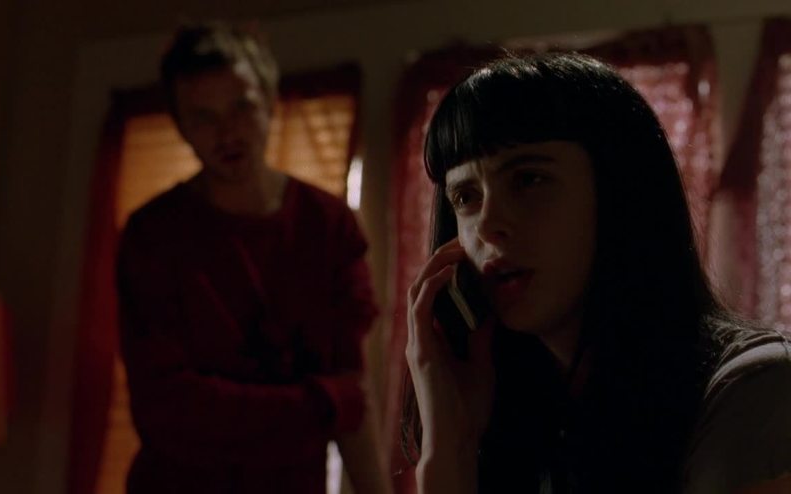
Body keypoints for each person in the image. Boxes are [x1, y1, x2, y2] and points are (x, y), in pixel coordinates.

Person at [403, 53, 791, 493]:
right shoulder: (523, 413)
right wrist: (451, 443)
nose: (488, 224)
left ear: (620, 194)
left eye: (528, 179)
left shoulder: (754, 394)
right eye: (465, 196)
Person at [116, 22, 391, 493]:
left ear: (268, 100)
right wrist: (322, 404)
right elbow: (167, 408)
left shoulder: (328, 225)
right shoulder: (153, 234)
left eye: (240, 106)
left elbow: (352, 393)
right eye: (203, 116)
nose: (227, 131)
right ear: (181, 127)